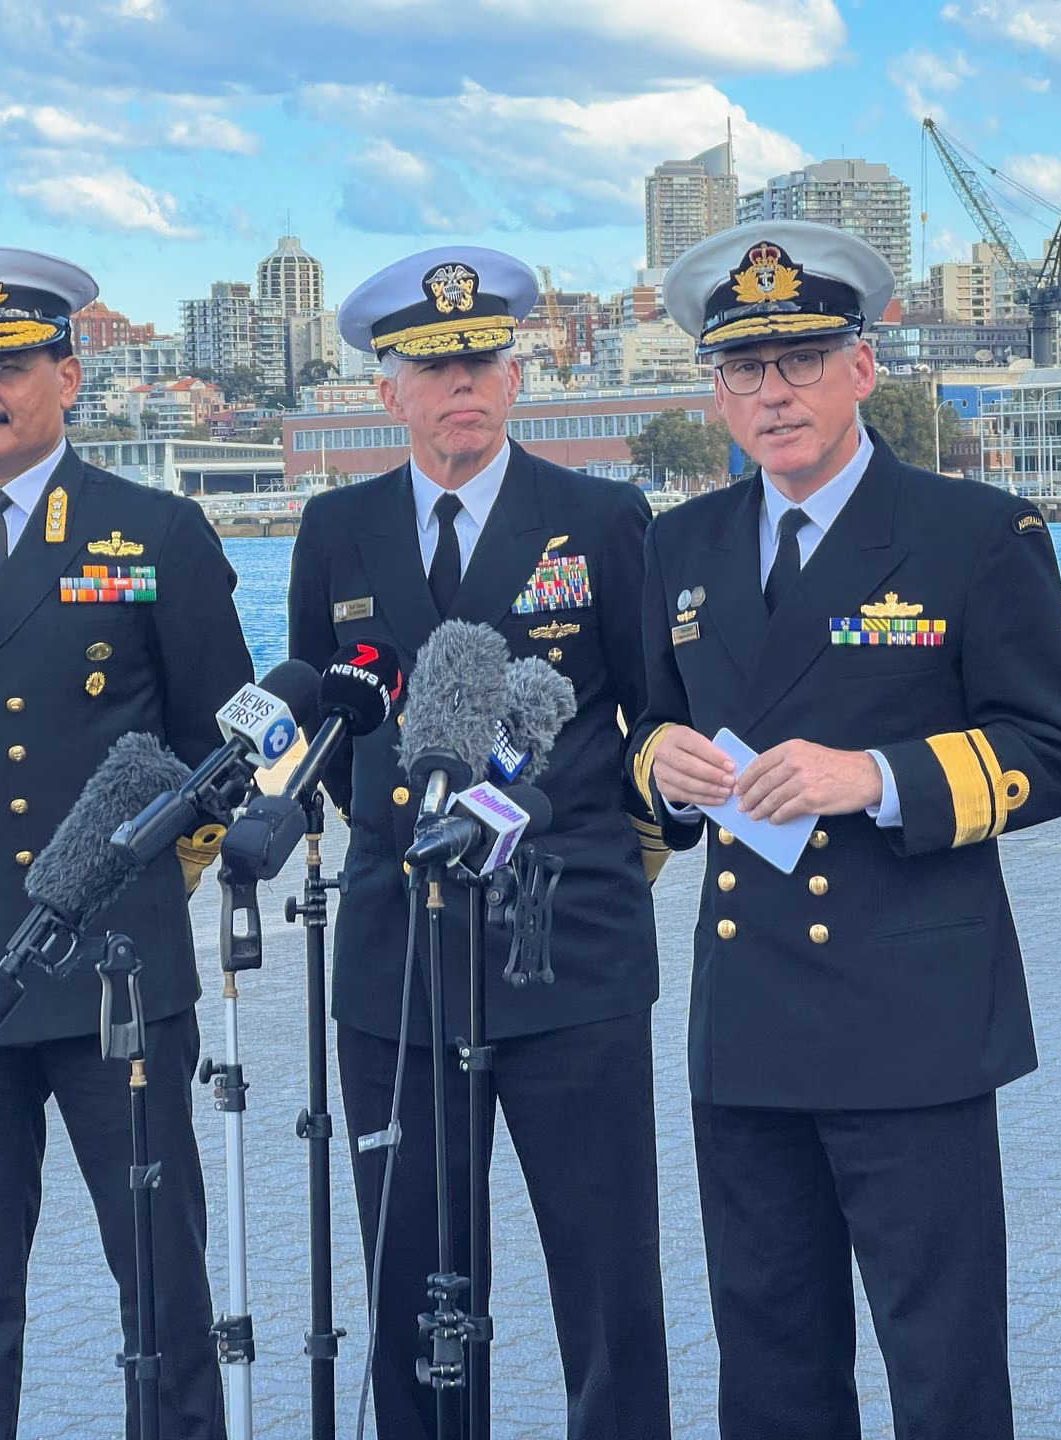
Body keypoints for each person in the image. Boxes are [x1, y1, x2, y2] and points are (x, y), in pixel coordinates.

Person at [630, 220, 1061, 1440]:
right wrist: (660, 768)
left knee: (940, 1367)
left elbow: (1056, 757)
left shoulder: (974, 535)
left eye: (799, 359)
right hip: (749, 1020)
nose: (772, 392)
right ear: (716, 390)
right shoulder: (677, 546)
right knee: (770, 1361)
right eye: (743, 368)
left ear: (862, 367)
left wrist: (875, 778)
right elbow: (648, 740)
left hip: (912, 1020)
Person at [0, 247, 253, 1439]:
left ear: (69, 376)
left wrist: (130, 889)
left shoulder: (154, 531)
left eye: (7, 366)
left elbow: (220, 751)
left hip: (109, 974)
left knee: (162, 1289)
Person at [286, 246, 671, 1440]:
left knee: (606, 1288)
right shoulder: (335, 528)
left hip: (567, 951)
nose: (462, 383)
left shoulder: (602, 519)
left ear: (517, 378)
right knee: (413, 1291)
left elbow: (657, 721)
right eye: (432, 364)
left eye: (483, 360)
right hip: (399, 958)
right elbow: (333, 723)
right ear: (386, 389)